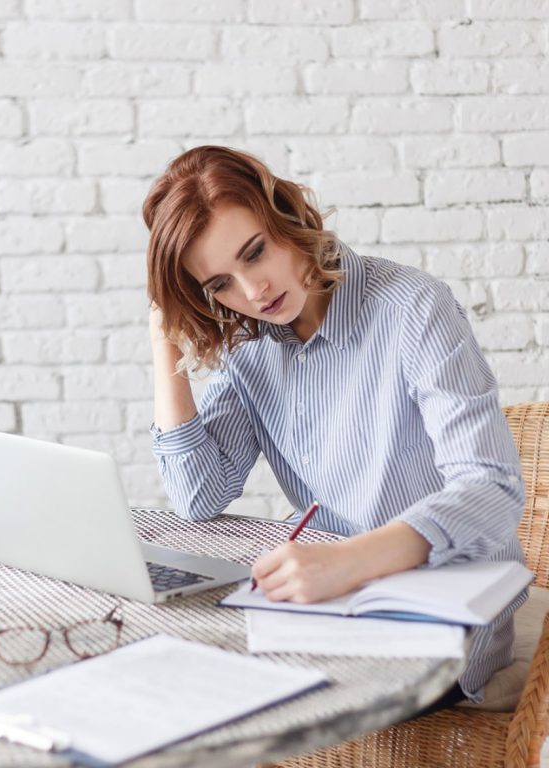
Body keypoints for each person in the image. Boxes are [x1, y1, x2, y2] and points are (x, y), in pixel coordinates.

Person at [142, 144, 526, 707]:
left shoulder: (413, 308)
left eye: (255, 252)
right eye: (219, 284)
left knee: (224, 695)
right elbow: (197, 495)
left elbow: (492, 490)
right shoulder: (252, 347)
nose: (252, 292)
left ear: (287, 218)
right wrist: (165, 341)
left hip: (442, 619)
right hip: (328, 609)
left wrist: (346, 563)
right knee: (173, 670)